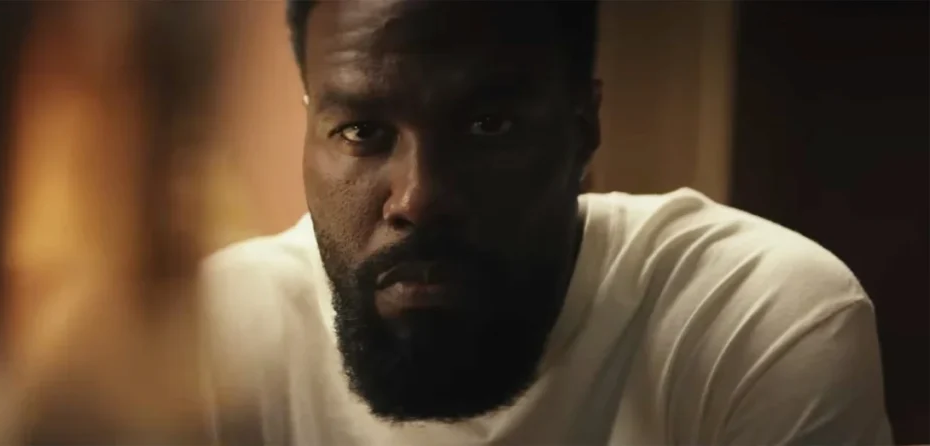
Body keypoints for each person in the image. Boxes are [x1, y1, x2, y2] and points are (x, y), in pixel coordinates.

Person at [201, 1, 893, 444]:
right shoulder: (210, 336)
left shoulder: (750, 319)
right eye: (360, 131)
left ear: (583, 125)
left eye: (488, 124)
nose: (419, 197)